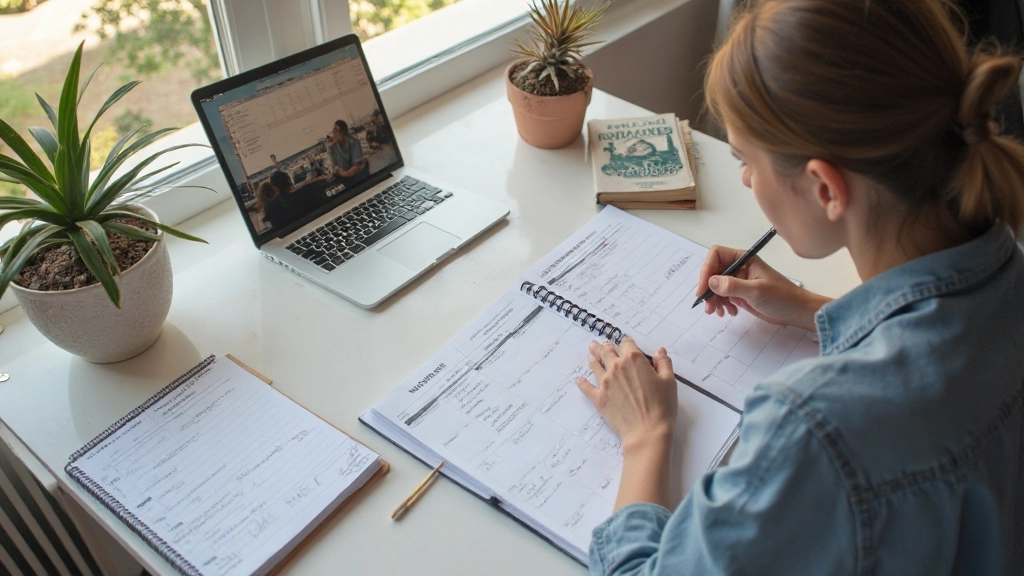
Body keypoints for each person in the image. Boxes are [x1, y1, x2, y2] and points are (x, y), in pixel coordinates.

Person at [575, 0, 1024, 574]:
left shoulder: (816, 429)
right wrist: (814, 309)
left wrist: (647, 434)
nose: (743, 180)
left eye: (746, 160)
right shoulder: (1005, 270)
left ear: (825, 190)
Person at [326, 119, 369, 187]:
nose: (333, 132)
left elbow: (357, 166)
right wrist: (335, 168)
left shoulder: (354, 143)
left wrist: (343, 173)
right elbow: (333, 165)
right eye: (333, 129)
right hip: (346, 179)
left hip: (359, 177)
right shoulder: (332, 146)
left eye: (336, 130)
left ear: (342, 132)